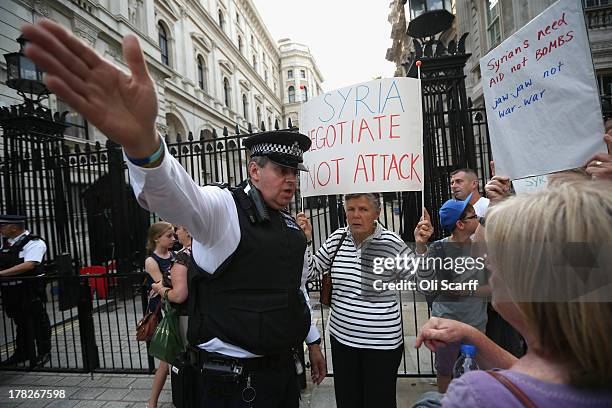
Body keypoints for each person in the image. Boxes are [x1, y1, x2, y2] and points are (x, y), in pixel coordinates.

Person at [21, 19, 327, 407]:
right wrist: (145, 145)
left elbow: (294, 291)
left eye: (294, 173)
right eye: (281, 171)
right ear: (254, 170)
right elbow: (179, 198)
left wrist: (313, 342)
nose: (291, 181)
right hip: (231, 388)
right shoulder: (223, 210)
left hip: (282, 376)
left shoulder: (289, 225)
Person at [415, 181, 612, 407]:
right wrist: (470, 335)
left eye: (503, 249)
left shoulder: (478, 396)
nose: (489, 259)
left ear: (536, 276)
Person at [300, 193, 433, 408]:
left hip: (381, 346)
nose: (355, 215)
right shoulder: (337, 239)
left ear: (377, 213)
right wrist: (305, 241)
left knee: (378, 401)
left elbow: (421, 282)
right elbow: (312, 271)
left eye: (363, 209)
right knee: (347, 401)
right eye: (351, 209)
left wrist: (421, 248)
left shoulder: (391, 243)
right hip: (342, 341)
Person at [415, 195, 489, 393]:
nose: (479, 220)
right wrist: (421, 247)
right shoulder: (438, 249)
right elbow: (424, 286)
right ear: (460, 224)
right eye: (474, 217)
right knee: (445, 371)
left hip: (474, 325)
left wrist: (469, 290)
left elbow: (495, 288)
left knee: (474, 375)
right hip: (445, 325)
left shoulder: (482, 248)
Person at [0, 215, 51, 368]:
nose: (0, 229)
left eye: (2, 226)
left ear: (14, 227)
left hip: (29, 289)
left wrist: (1, 274)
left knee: (38, 321)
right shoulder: (4, 244)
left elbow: (29, 265)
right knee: (20, 322)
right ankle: (23, 353)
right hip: (10, 290)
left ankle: (44, 352)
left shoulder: (34, 243)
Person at [144, 221, 175, 408]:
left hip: (174, 308)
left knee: (170, 358)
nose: (173, 239)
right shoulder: (151, 261)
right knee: (165, 359)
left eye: (173, 235)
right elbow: (162, 284)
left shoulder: (174, 255)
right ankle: (152, 403)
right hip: (162, 312)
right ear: (156, 238)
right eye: (168, 236)